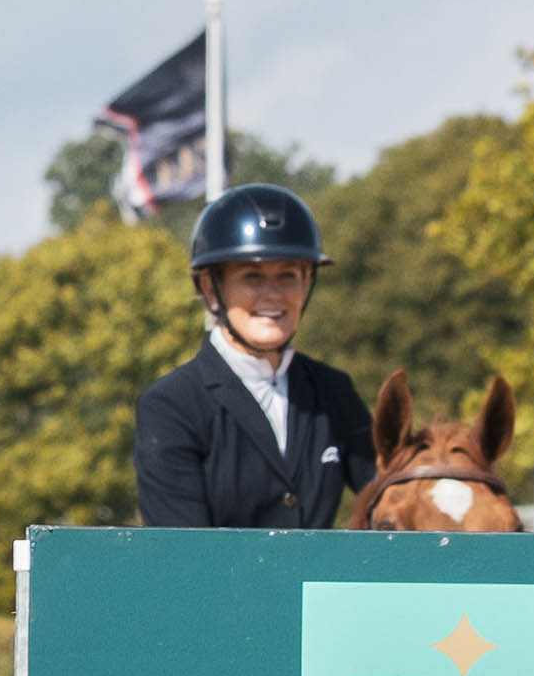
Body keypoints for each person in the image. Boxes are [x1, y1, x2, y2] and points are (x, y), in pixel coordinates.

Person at [130, 181, 371, 528]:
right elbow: (180, 559)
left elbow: (388, 490)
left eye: (288, 276)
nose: (272, 295)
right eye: (252, 277)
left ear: (307, 283)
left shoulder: (334, 391)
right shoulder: (172, 405)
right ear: (211, 288)